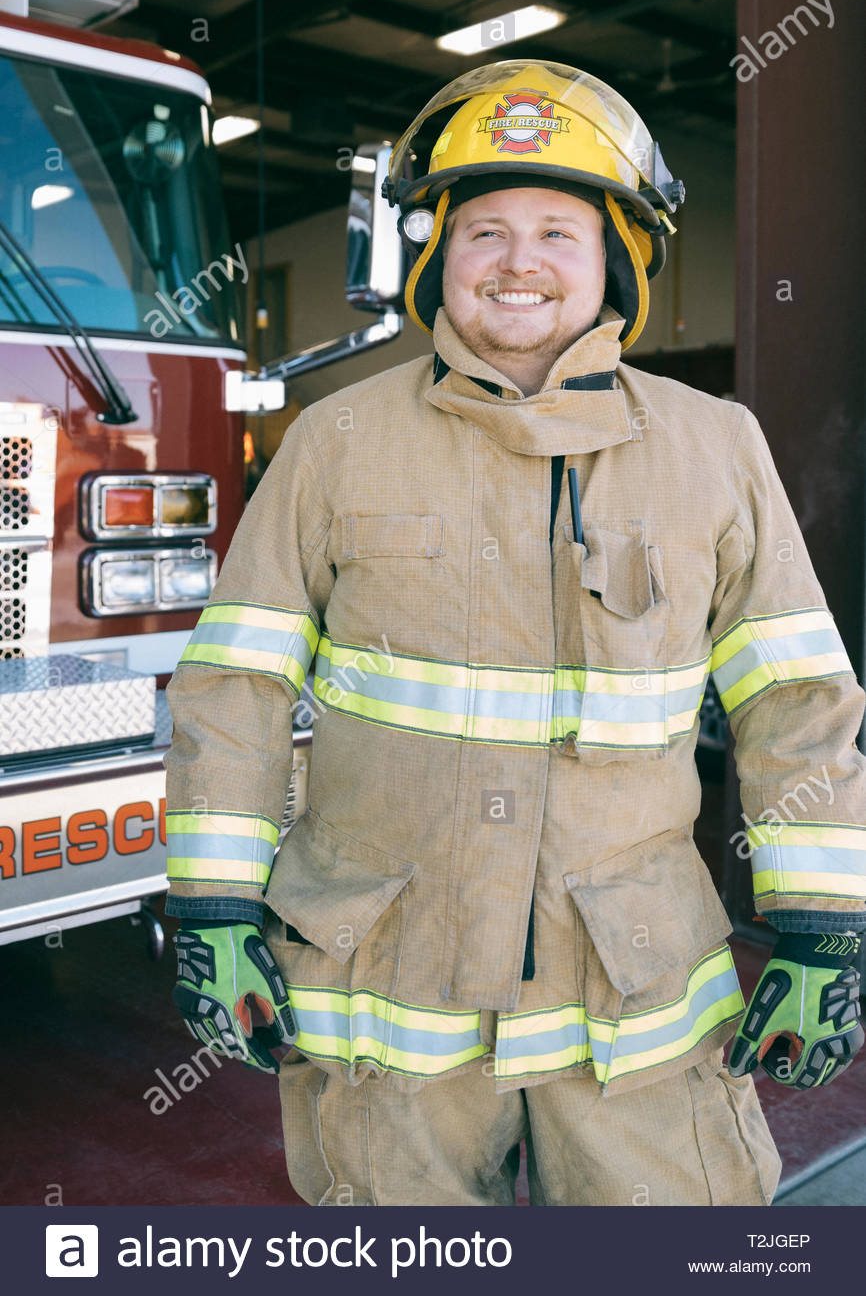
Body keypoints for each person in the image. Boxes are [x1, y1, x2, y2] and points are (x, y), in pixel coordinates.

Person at [163, 60, 866, 1206]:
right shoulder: (333, 444)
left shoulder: (714, 447)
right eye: (484, 230)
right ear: (438, 257)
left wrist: (821, 928)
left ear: (617, 264)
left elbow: (795, 702)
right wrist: (211, 903)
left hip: (632, 1000)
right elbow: (234, 685)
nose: (520, 262)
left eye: (557, 230)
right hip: (385, 995)